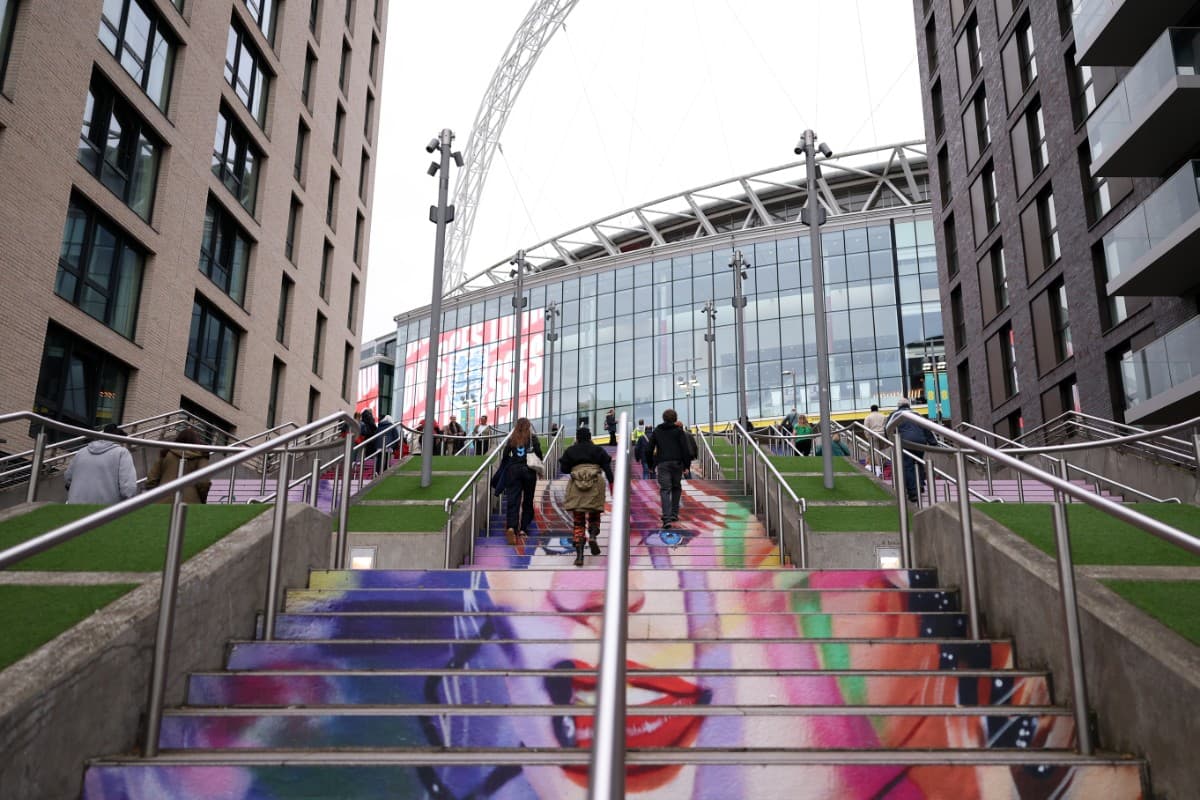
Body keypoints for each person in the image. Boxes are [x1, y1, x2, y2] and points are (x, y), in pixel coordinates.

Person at [558, 427, 613, 566]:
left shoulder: (571, 451)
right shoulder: (598, 450)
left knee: (578, 520)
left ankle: (580, 555)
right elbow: (607, 467)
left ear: (577, 438)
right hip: (595, 484)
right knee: (594, 514)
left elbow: (563, 468)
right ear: (590, 437)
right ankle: (593, 535)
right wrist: (612, 483)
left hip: (577, 484)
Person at [497, 417, 543, 550]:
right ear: (529, 426)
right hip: (528, 471)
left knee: (513, 500)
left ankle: (512, 527)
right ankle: (523, 529)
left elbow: (505, 456)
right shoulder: (532, 439)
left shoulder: (513, 438)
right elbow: (539, 454)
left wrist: (508, 466)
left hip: (513, 472)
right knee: (528, 500)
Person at [64, 423, 138, 505]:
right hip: (103, 510)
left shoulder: (81, 452)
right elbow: (128, 489)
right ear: (120, 439)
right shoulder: (122, 453)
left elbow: (68, 478)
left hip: (74, 506)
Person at [645, 408, 692, 528]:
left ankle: (666, 519)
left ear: (663, 418)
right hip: (677, 463)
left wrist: (650, 465)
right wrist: (687, 466)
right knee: (676, 487)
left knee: (665, 490)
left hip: (663, 464)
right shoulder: (679, 431)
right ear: (675, 418)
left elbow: (649, 449)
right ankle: (674, 514)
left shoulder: (657, 431)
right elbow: (685, 449)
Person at [888, 398, 939, 504]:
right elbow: (926, 427)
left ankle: (913, 492)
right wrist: (933, 442)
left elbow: (887, 428)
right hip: (920, 441)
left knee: (908, 466)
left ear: (899, 406)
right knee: (919, 462)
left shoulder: (895, 415)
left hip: (905, 442)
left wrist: (889, 440)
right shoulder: (916, 414)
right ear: (909, 405)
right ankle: (920, 484)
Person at [145, 428, 211, 504]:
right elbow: (203, 482)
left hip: (163, 499)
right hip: (191, 503)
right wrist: (202, 499)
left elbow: (151, 480)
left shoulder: (166, 454)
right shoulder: (201, 456)